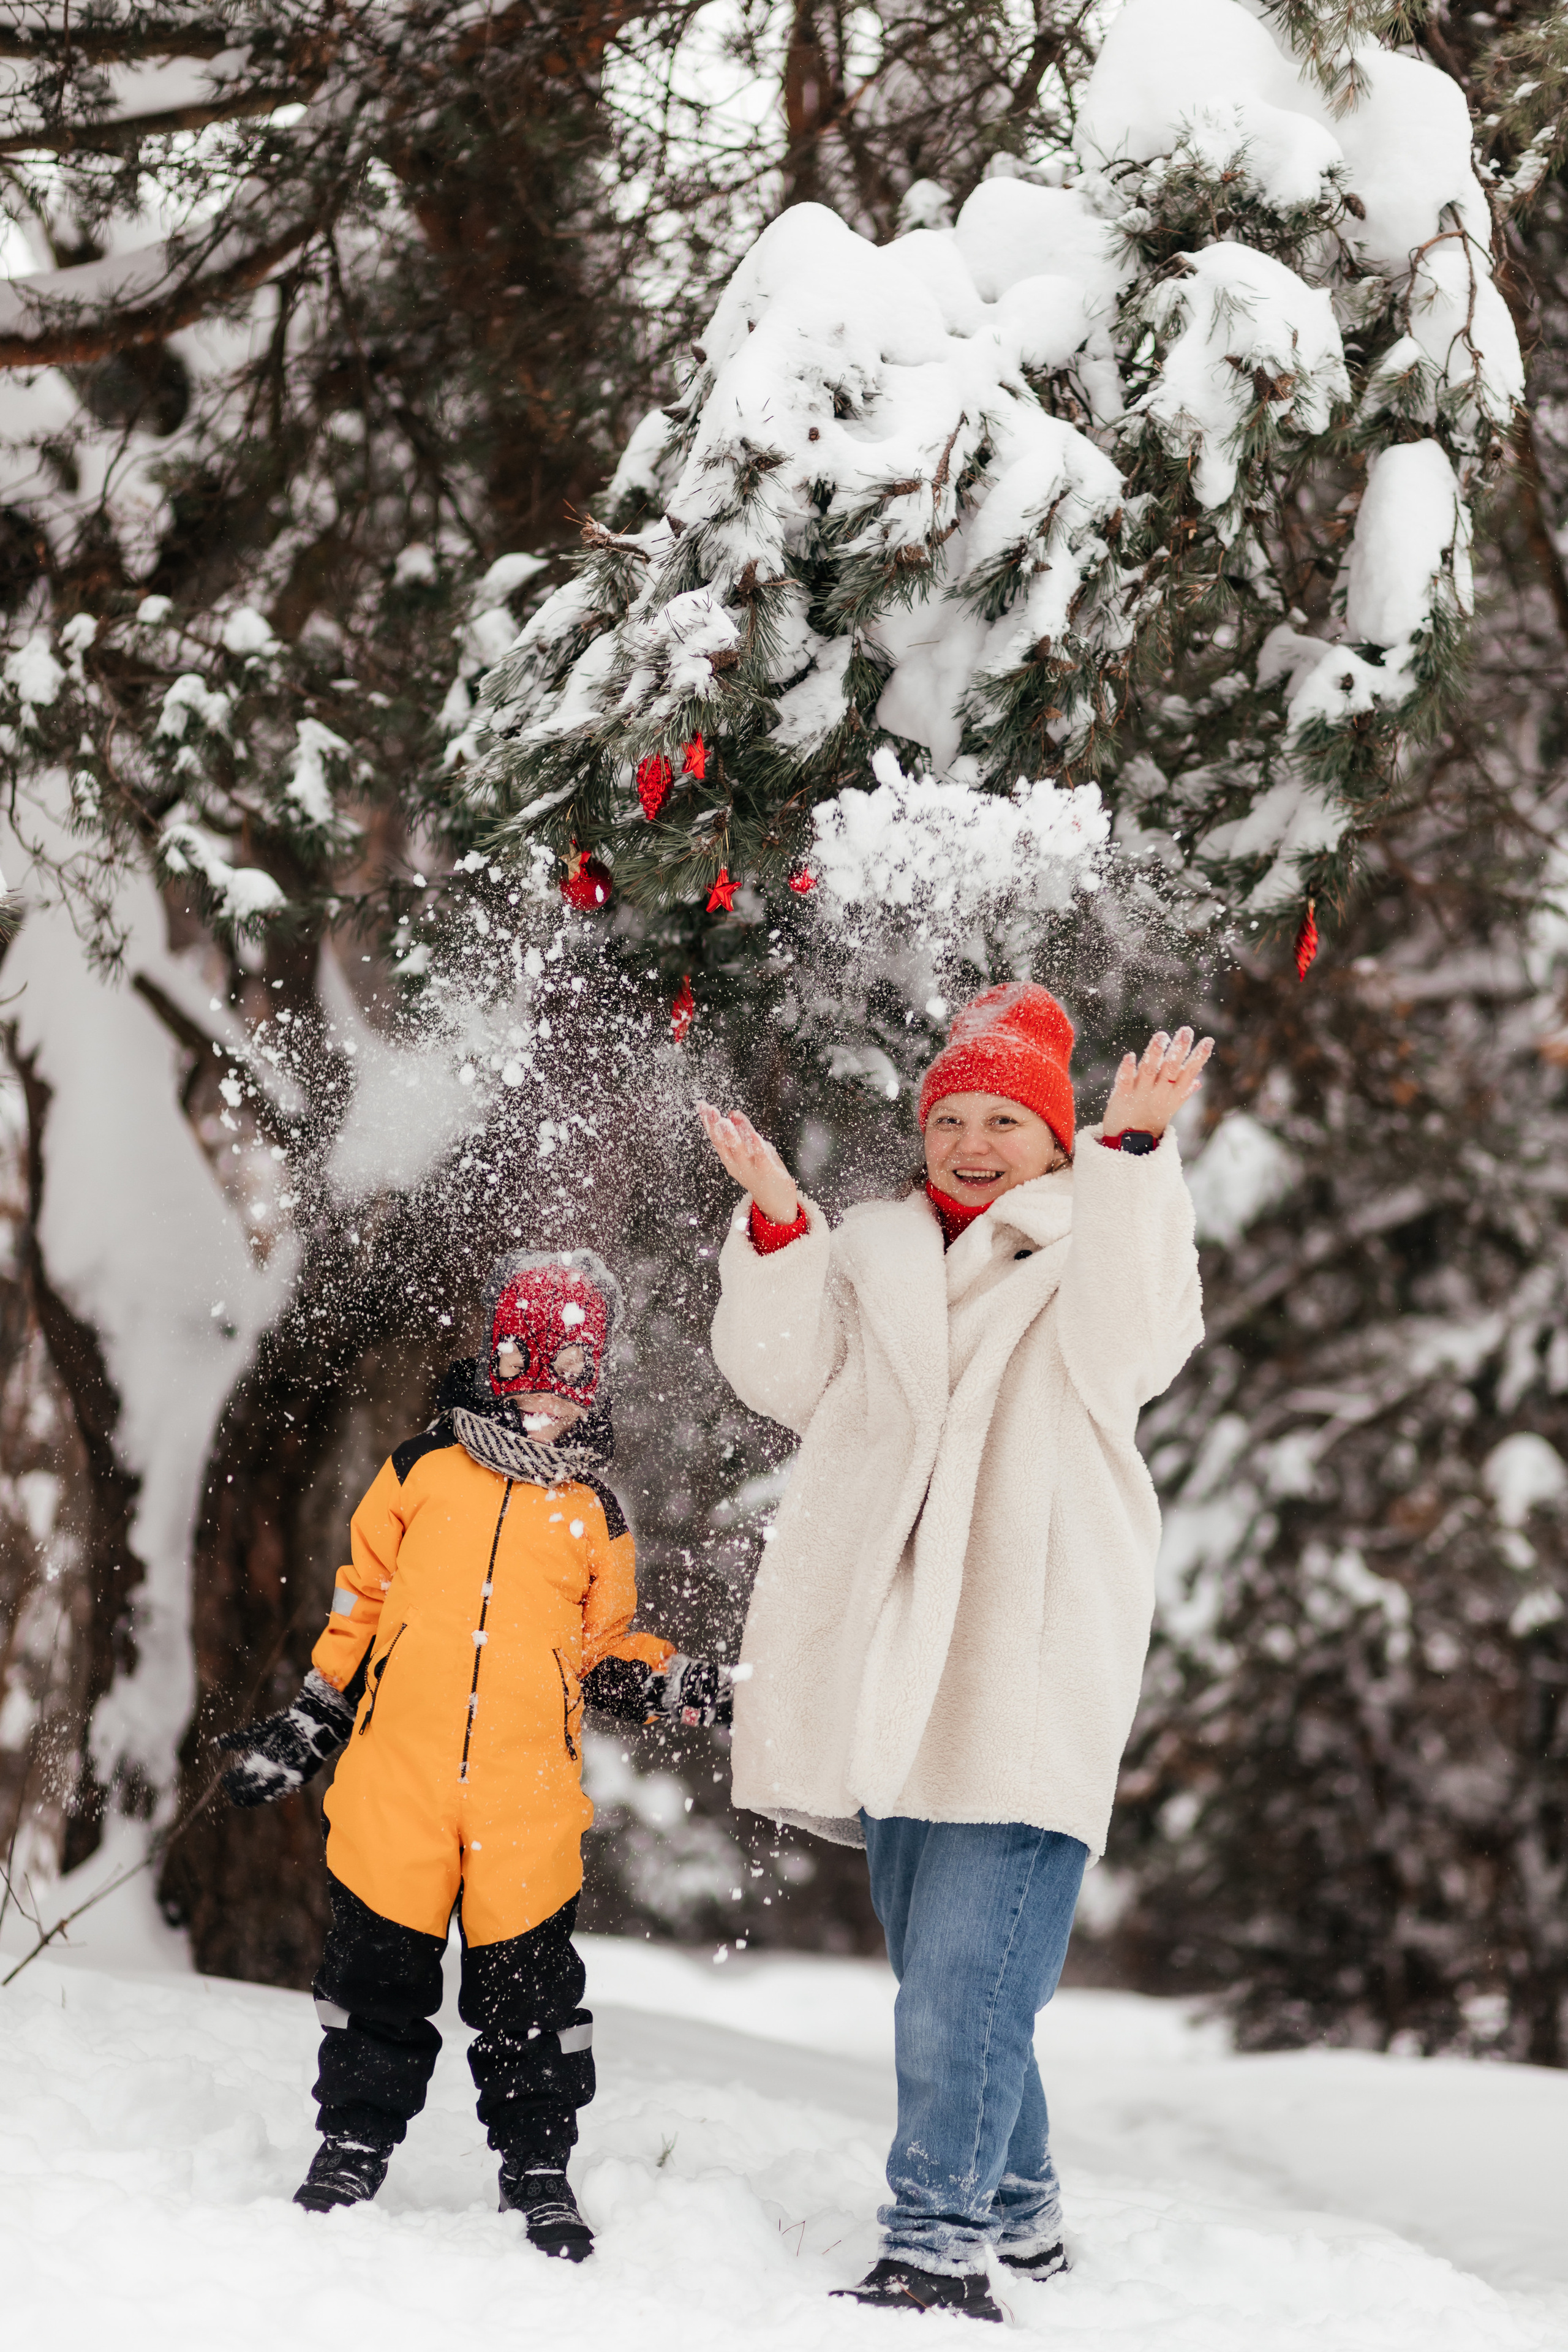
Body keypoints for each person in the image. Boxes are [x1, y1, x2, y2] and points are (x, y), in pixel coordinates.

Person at [697, 982, 1209, 2322]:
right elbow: (779, 1374)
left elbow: (1138, 1332)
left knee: (953, 2001)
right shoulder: (875, 1259)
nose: (972, 1142)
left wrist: (1136, 1159)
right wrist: (772, 1225)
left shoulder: (1089, 1257)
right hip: (892, 1671)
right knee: (955, 1985)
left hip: (1021, 1669)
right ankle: (1026, 2211)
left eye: (1004, 1120)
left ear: (1053, 1143)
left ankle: (935, 2249)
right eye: (949, 1119)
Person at [221, 1247, 733, 2258]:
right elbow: (361, 1602)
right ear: (496, 1365)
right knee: (375, 1982)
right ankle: (353, 2145)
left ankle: (537, 2167)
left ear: (597, 1382)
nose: (549, 1396)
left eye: (574, 1374)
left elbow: (604, 1649)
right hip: (397, 1787)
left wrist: (667, 1678)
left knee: (531, 2003)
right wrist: (314, 1718)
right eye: (527, 1366)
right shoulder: (419, 1472)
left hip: (522, 1802)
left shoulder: (596, 1515)